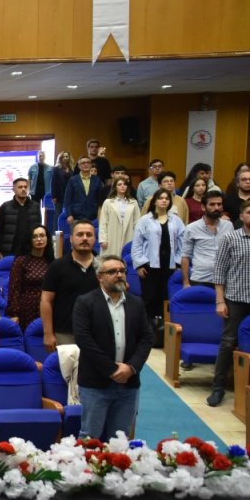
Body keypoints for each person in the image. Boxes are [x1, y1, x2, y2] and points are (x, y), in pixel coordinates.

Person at [73, 255, 154, 439]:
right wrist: (112, 369)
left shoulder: (136, 303)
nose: (119, 275)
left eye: (122, 271)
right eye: (112, 271)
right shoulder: (85, 302)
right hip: (96, 383)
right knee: (89, 437)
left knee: (120, 439)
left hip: (129, 383)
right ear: (99, 277)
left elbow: (147, 338)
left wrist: (131, 368)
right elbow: (84, 340)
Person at [207, 199, 250, 407]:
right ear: (242, 216)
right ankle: (218, 388)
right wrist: (220, 301)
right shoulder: (230, 238)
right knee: (227, 343)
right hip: (235, 301)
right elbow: (219, 271)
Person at [41, 220, 100, 351]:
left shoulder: (104, 267)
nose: (85, 238)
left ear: (94, 239)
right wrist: (48, 333)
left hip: (97, 333)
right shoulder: (57, 267)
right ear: (71, 239)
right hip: (65, 334)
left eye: (89, 235)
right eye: (80, 234)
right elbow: (46, 301)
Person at [131, 188, 185, 329]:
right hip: (149, 266)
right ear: (154, 201)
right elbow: (136, 245)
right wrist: (139, 265)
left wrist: (179, 263)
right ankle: (145, 329)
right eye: (161, 198)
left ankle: (163, 331)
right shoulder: (145, 220)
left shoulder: (176, 220)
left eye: (166, 199)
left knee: (165, 298)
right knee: (149, 298)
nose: (164, 201)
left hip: (170, 267)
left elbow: (183, 243)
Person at [181, 191, 234, 289]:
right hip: (200, 279)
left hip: (224, 280)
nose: (216, 208)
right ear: (203, 207)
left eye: (219, 204)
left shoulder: (228, 225)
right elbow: (185, 256)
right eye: (212, 204)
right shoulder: (192, 228)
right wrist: (186, 282)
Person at [7, 226, 55, 328]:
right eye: (34, 237)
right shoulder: (21, 261)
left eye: (42, 236)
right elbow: (14, 289)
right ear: (30, 240)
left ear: (47, 238)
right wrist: (14, 314)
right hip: (27, 308)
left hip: (48, 307)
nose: (39, 239)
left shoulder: (51, 262)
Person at [60, 156, 107, 245]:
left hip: (93, 217)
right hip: (76, 217)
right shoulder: (73, 180)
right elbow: (67, 200)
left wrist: (99, 215)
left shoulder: (97, 180)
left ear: (91, 165)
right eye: (83, 163)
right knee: (77, 242)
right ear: (79, 166)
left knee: (91, 242)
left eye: (88, 162)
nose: (86, 164)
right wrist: (69, 214)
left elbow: (100, 200)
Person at [0, 178, 40, 258]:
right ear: (13, 189)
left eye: (25, 187)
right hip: (9, 251)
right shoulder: (5, 207)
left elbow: (39, 228)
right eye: (20, 187)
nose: (23, 189)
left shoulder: (35, 206)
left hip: (30, 250)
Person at [98, 177, 140, 255]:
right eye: (119, 184)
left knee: (126, 259)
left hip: (129, 234)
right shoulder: (108, 202)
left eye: (124, 184)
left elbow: (137, 223)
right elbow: (103, 222)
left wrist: (137, 240)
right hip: (112, 235)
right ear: (115, 187)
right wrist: (103, 239)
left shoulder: (133, 202)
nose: (122, 186)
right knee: (110, 260)